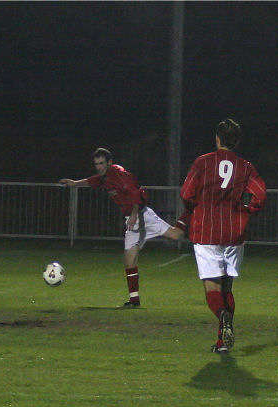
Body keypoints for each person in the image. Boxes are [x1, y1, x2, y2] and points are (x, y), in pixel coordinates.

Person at [179, 119, 266, 353]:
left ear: (217, 138)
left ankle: (222, 315)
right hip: (234, 232)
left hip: (206, 231)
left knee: (212, 288)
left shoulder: (202, 162)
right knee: (227, 288)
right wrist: (246, 209)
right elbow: (259, 195)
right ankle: (222, 342)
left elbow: (186, 193)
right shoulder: (245, 167)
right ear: (236, 141)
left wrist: (195, 207)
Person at [59, 148, 185, 307]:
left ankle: (191, 211)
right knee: (129, 259)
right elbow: (93, 180)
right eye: (96, 164)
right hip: (133, 220)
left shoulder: (117, 173)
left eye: (101, 163)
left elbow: (134, 192)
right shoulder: (104, 177)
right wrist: (75, 183)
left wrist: (133, 214)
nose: (99, 166)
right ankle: (134, 300)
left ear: (109, 163)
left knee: (176, 235)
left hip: (141, 215)